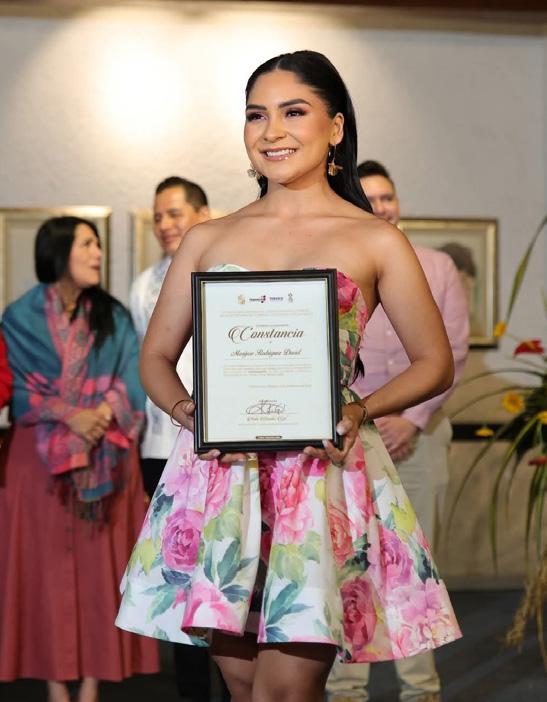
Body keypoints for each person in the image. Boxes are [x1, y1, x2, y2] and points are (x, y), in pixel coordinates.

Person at [116, 51, 461, 702]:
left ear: (335, 127)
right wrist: (192, 413)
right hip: (223, 481)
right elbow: (155, 358)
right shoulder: (207, 239)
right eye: (256, 115)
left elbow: (434, 361)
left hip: (317, 474)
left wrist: (359, 409)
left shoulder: (374, 240)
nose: (271, 130)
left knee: (285, 692)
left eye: (293, 112)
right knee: (244, 686)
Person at [0, 216, 159, 702]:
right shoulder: (18, 318)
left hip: (107, 455)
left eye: (98, 245)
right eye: (87, 244)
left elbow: (134, 375)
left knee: (100, 574)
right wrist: (70, 415)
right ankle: (54, 683)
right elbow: (17, 388)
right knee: (42, 572)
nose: (97, 254)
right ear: (58, 251)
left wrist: (100, 414)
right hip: (37, 462)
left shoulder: (113, 315)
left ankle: (92, 682)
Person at [327, 161, 469, 702]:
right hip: (348, 434)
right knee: (347, 560)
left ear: (398, 202)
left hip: (421, 432)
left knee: (417, 565)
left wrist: (411, 418)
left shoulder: (436, 265)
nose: (380, 206)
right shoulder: (335, 265)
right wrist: (359, 416)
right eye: (368, 198)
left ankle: (420, 689)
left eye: (387, 197)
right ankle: (346, 689)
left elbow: (452, 350)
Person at [129, 177, 228, 702]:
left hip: (222, 445)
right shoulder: (143, 284)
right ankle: (192, 692)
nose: (165, 225)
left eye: (174, 213)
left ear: (204, 213)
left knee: (226, 575)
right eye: (158, 217)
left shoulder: (230, 269)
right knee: (180, 576)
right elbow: (145, 362)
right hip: (158, 446)